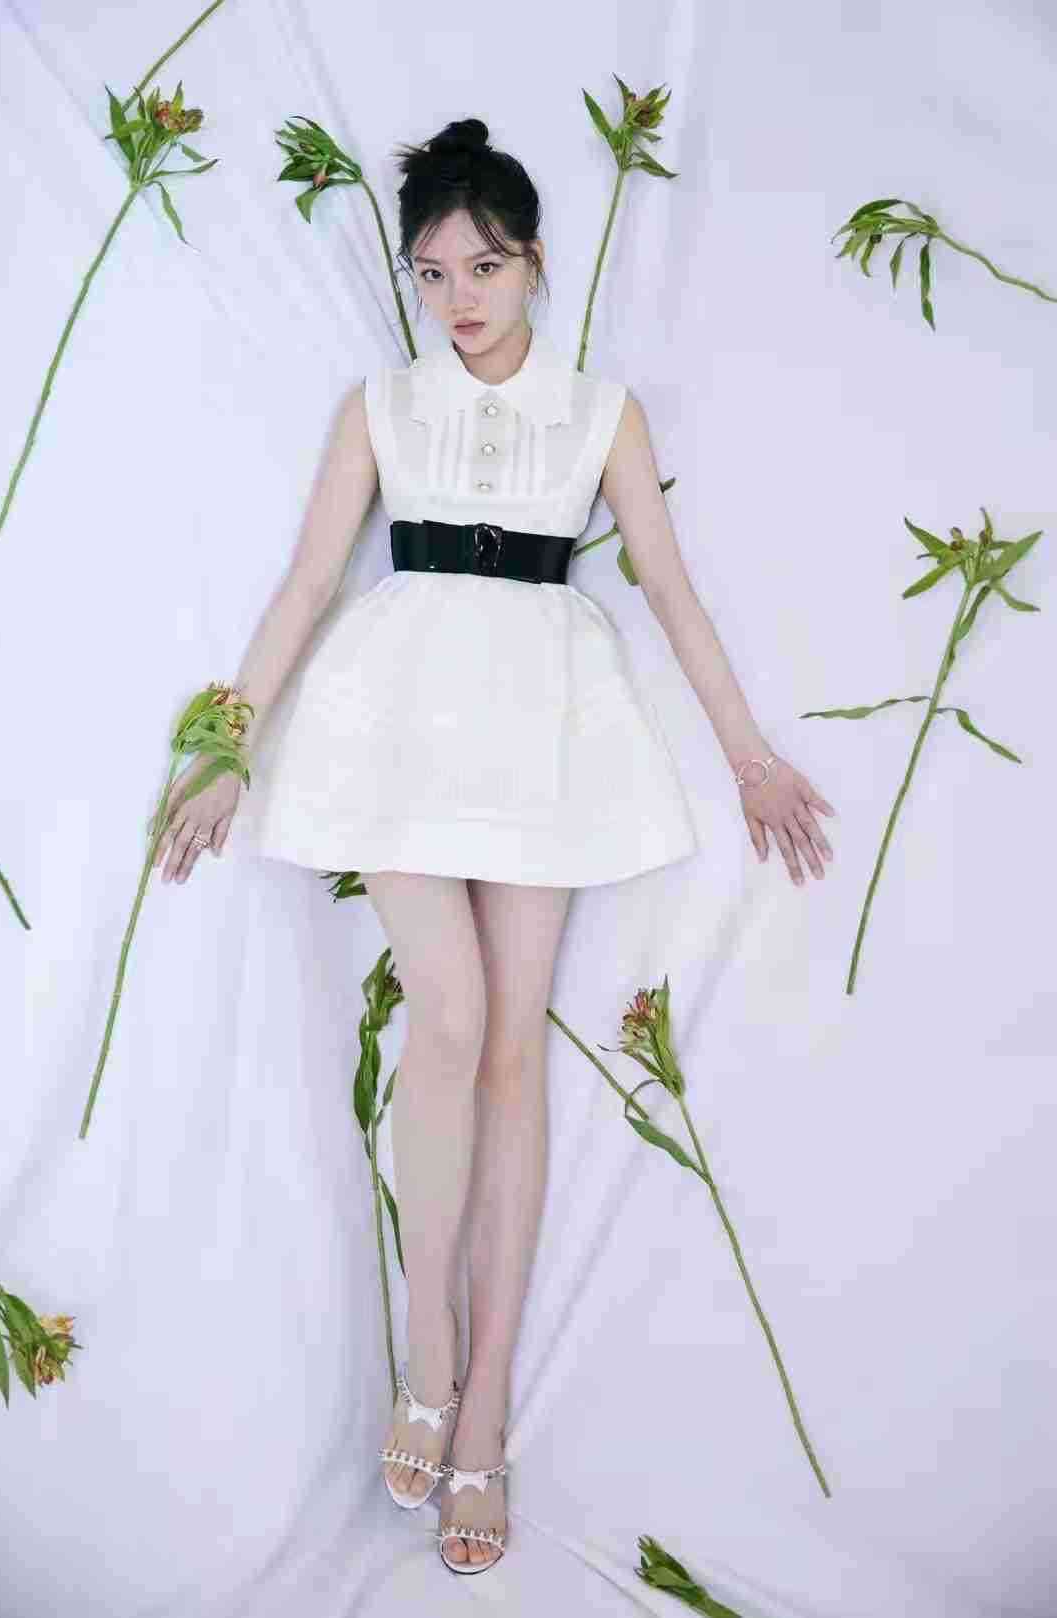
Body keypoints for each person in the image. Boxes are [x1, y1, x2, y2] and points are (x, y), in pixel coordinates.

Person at [151, 116, 836, 1576]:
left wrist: (749, 754)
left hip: (544, 733)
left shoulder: (602, 414)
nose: (458, 296)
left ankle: (486, 1409)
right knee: (450, 1015)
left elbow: (674, 592)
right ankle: (428, 1344)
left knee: (513, 1049)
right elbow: (305, 584)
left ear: (532, 263)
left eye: (484, 265)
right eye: (433, 271)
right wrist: (225, 744)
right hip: (392, 724)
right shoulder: (379, 407)